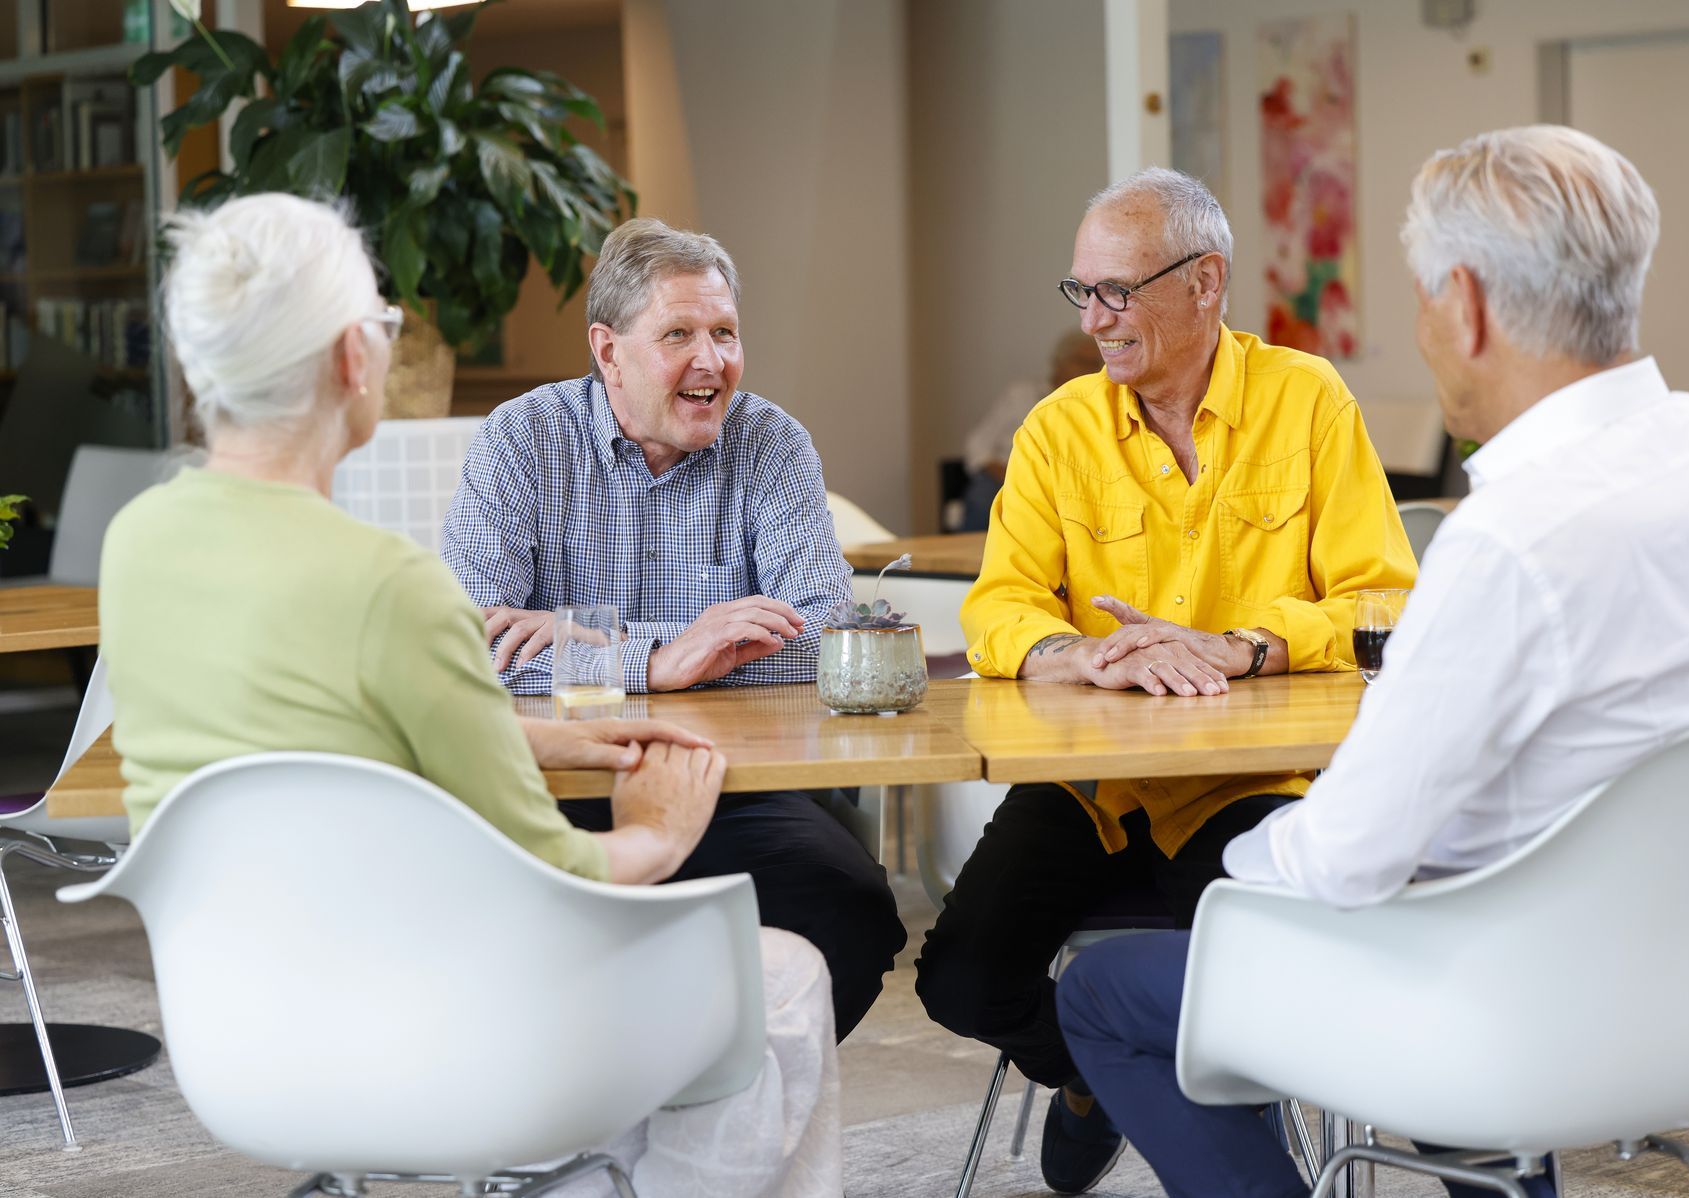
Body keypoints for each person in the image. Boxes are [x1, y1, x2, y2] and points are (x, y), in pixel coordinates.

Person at [1056, 126, 1689, 1198]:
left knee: (1106, 988)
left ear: (1467, 303)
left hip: (1498, 1014)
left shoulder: (1510, 538)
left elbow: (1343, 860)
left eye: (1419, 299)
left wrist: (1236, 871)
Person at [99, 194, 841, 1198]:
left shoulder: (138, 544)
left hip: (242, 1027)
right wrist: (657, 835)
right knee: (783, 976)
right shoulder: (389, 590)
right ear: (354, 362)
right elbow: (552, 865)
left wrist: (569, 735)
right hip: (445, 1024)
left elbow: (339, 742)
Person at [916, 166, 1417, 1194]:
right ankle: (1089, 1077)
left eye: (1118, 290)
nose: (1094, 319)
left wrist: (1245, 643)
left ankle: (1226, 1148)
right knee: (961, 978)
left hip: (1250, 784)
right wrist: (1073, 653)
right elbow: (999, 608)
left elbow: (1383, 600)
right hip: (1090, 790)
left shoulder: (1306, 399)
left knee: (1249, 989)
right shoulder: (1059, 429)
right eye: (1081, 292)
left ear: (1205, 282)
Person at [439, 216, 905, 1039]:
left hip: (731, 784)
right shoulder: (519, 440)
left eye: (724, 333)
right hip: (553, 788)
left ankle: (713, 1109)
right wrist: (660, 659)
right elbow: (473, 648)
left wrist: (579, 641)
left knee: (856, 911)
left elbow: (828, 636)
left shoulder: (772, 445)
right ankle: (618, 1098)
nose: (711, 361)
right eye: (679, 334)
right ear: (608, 351)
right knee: (512, 923)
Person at [959, 330, 1104, 530]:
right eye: (1081, 361)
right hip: (1006, 475)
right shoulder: (1021, 394)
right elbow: (978, 446)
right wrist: (1009, 475)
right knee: (984, 498)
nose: (1088, 369)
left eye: (1095, 363)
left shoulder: (1096, 403)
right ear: (1058, 363)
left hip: (1064, 481)